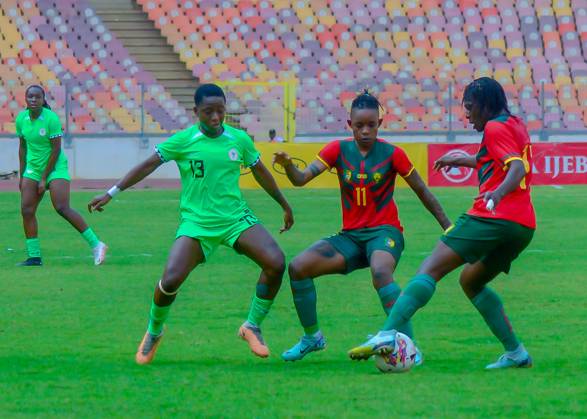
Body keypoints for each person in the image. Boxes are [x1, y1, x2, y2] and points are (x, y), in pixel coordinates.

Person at [88, 83, 294, 364]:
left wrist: (283, 204)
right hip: (196, 224)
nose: (215, 117)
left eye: (220, 111)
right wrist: (112, 192)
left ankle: (252, 325)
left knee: (276, 262)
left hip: (235, 219)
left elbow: (260, 172)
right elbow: (148, 165)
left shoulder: (239, 139)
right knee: (170, 280)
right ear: (195, 111)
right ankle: (154, 331)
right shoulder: (184, 140)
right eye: (208, 112)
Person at [348, 77, 536, 370]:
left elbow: (516, 167)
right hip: (523, 226)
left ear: (485, 105)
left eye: (470, 107)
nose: (466, 114)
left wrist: (497, 194)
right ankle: (516, 352)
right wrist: (469, 160)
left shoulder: (493, 127)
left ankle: (387, 334)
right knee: (471, 281)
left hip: (493, 217)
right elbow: (506, 160)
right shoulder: (514, 124)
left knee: (430, 268)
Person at [272, 90, 451, 362]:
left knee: (380, 271)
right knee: (298, 268)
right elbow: (301, 179)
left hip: (385, 232)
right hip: (351, 238)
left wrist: (448, 227)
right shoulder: (337, 150)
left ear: (380, 123)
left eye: (371, 125)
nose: (365, 131)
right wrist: (287, 166)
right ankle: (312, 338)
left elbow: (423, 192)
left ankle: (409, 347)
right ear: (349, 125)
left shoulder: (393, 154)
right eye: (359, 126)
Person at [15, 85, 107, 266]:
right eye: (30, 97)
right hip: (33, 169)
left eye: (37, 97)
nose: (33, 100)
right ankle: (34, 257)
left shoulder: (51, 119)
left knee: (62, 207)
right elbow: (22, 147)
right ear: (25, 99)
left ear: (43, 100)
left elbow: (56, 149)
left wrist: (44, 178)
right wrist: (22, 174)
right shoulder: (21, 119)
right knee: (26, 210)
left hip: (55, 167)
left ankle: (97, 244)